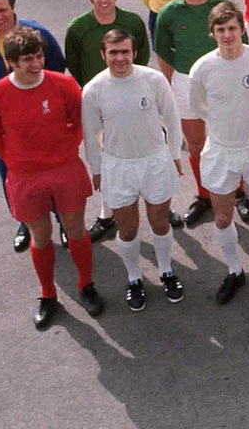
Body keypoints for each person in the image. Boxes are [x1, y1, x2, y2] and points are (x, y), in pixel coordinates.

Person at [0, 27, 101, 329]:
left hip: (65, 170)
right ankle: (48, 294)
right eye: (27, 60)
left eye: (39, 56)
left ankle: (86, 285)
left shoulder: (64, 84)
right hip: (25, 177)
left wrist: (64, 150)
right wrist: (19, 160)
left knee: (75, 230)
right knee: (41, 236)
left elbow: (79, 121)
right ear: (12, 63)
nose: (36, 64)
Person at [189, 1, 249, 303]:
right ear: (213, 33)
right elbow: (197, 106)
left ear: (242, 29)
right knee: (222, 217)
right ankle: (235, 271)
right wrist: (222, 124)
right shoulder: (202, 68)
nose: (228, 34)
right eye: (221, 29)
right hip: (221, 150)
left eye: (233, 28)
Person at [81, 29, 186, 310]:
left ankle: (166, 271)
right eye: (113, 53)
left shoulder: (152, 79)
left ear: (134, 52)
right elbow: (90, 136)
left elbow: (173, 119)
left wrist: (174, 154)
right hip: (118, 165)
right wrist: (97, 169)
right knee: (128, 229)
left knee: (160, 222)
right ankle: (134, 278)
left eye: (125, 51)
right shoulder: (93, 90)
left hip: (155, 162)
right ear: (103, 54)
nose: (120, 58)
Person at [153, 0, 249, 227]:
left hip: (223, 81)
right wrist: (174, 83)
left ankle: (239, 192)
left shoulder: (223, 7)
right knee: (196, 144)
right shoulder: (168, 13)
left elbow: (241, 45)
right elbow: (162, 52)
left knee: (232, 139)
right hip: (186, 83)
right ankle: (204, 195)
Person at [0, 0, 66, 253]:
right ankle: (25, 222)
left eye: (3, 10)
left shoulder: (38, 33)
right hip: (7, 128)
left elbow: (55, 68)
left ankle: (64, 221)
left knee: (52, 174)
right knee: (9, 174)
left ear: (13, 7)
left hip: (42, 122)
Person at [64, 0, 156, 241]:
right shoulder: (78, 28)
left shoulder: (133, 22)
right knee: (106, 158)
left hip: (133, 99)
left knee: (144, 149)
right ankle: (108, 213)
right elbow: (75, 64)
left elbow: (143, 57)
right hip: (97, 103)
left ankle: (157, 203)